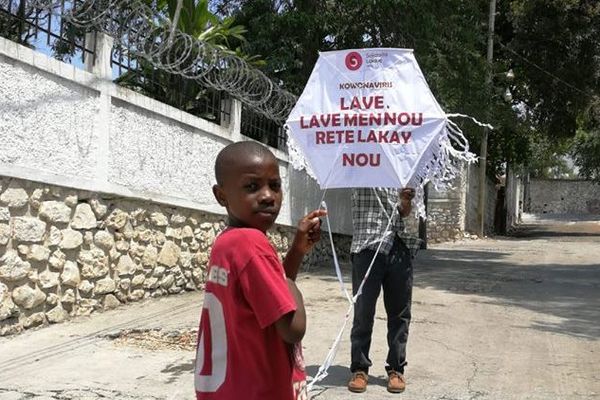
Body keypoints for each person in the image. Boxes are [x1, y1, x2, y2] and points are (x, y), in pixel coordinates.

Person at [194, 141, 326, 400]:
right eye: (252, 187)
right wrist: (293, 285)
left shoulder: (228, 242)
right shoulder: (252, 245)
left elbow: (270, 298)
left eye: (275, 185)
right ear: (221, 196)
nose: (268, 196)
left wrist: (297, 250)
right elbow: (292, 327)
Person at [347, 187, 421, 394]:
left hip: (399, 247)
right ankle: (360, 369)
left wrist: (405, 200)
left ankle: (396, 368)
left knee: (400, 313)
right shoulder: (360, 165)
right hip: (367, 246)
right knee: (363, 312)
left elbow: (404, 213)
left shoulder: (402, 168)